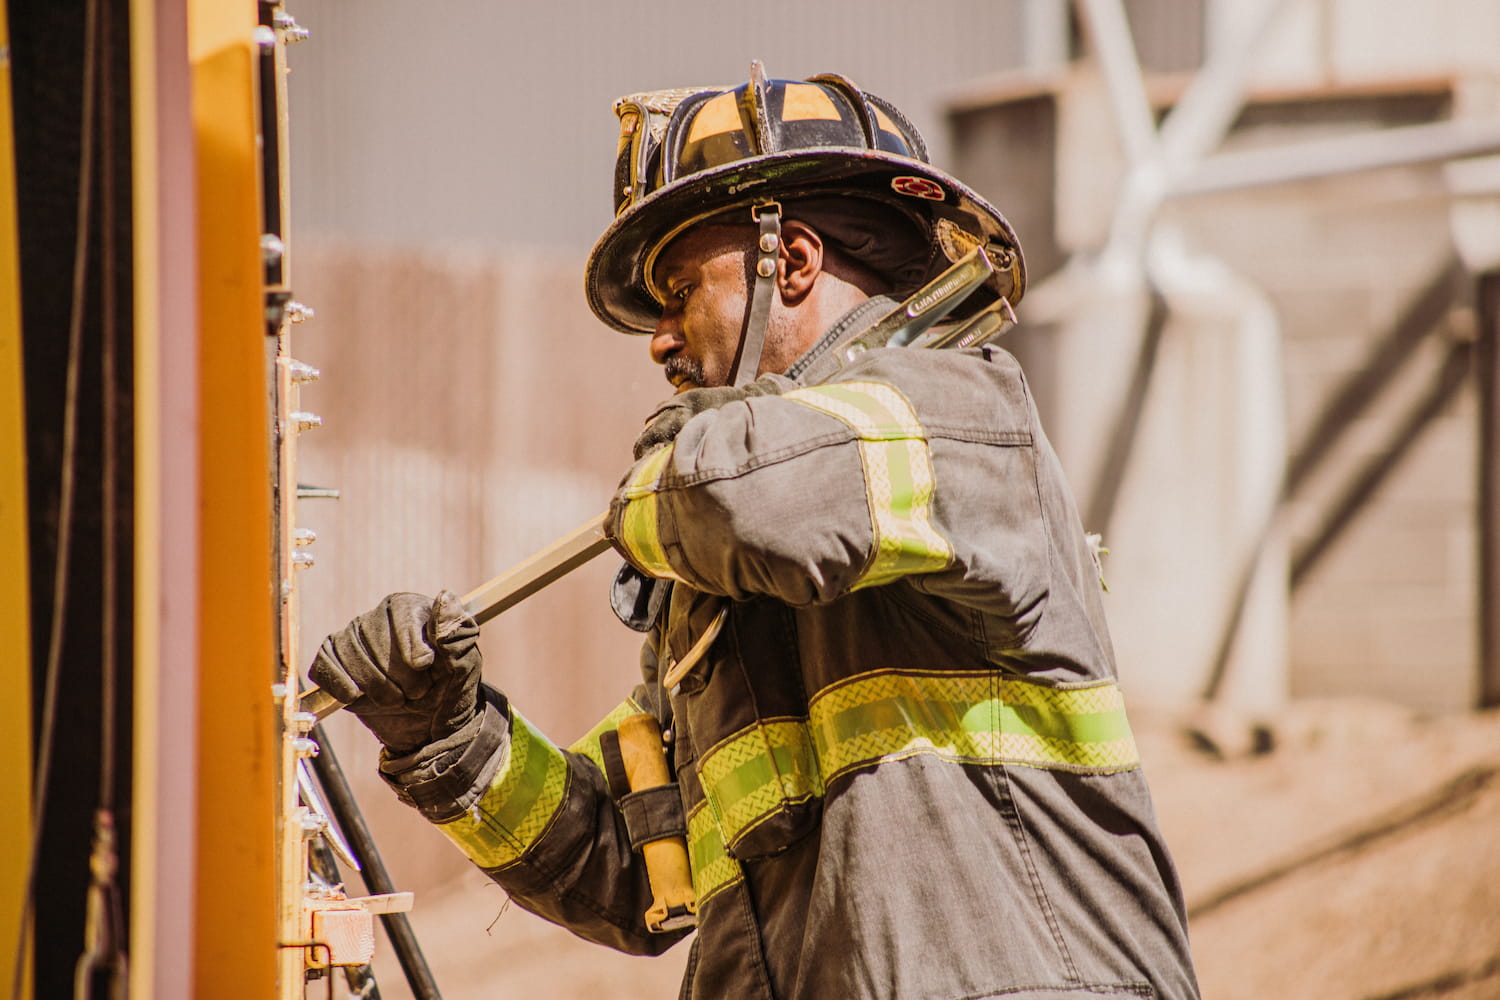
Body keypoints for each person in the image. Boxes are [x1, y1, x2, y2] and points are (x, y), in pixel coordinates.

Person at [311, 66, 1202, 1000]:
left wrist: (663, 477)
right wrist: (450, 737)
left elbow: (735, 498)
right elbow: (634, 866)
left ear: (795, 260)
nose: (660, 341)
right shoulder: (719, 586)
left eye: (681, 291)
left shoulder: (960, 412)